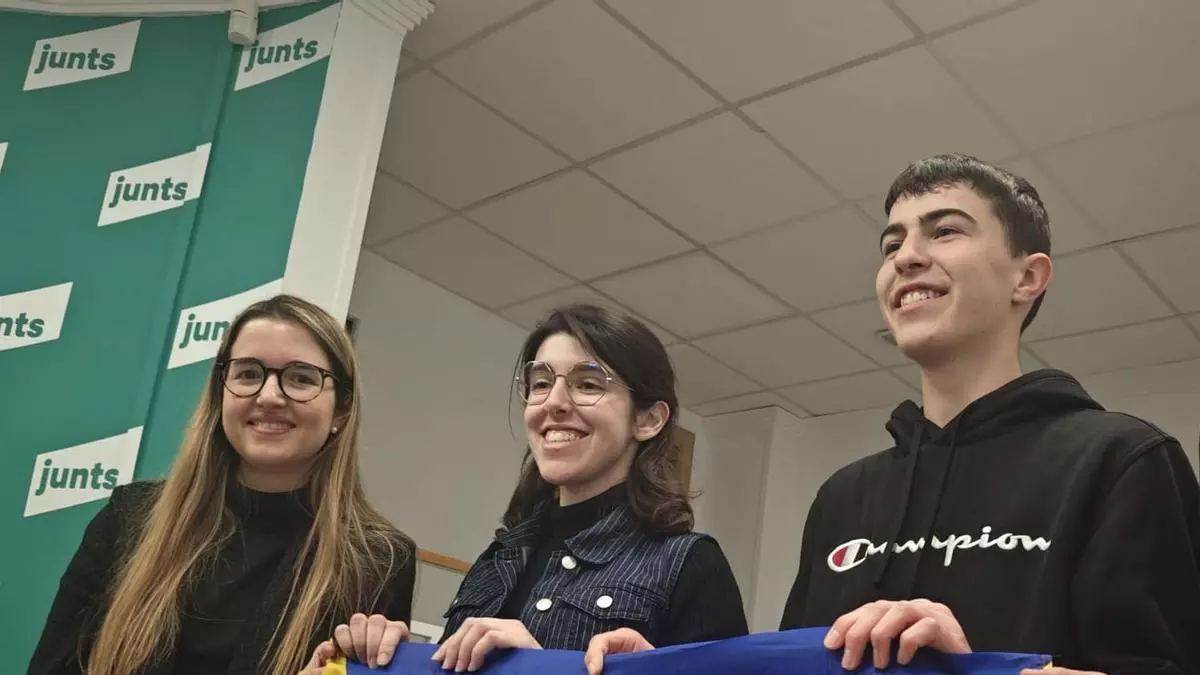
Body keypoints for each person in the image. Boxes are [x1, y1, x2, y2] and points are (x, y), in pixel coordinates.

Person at [584, 154, 1200, 675]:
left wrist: (967, 669)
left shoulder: (1123, 462)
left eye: (945, 231)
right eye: (892, 243)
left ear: (1027, 277)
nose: (906, 257)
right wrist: (668, 669)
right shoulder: (844, 496)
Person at [28, 295, 416, 675]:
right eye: (248, 374)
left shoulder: (379, 561)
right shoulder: (130, 518)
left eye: (301, 378)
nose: (269, 396)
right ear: (220, 393)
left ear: (341, 410)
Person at [430, 304, 748, 673]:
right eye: (541, 383)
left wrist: (542, 669)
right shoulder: (500, 556)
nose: (554, 402)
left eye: (588, 384)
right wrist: (386, 655)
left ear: (648, 419)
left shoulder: (689, 565)